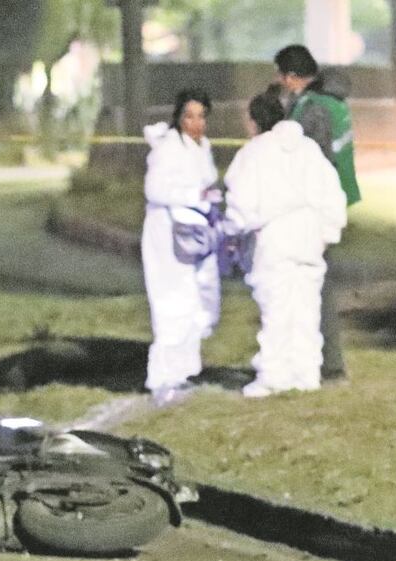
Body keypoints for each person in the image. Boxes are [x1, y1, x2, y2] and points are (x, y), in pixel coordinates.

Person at [223, 93, 347, 398]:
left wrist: (233, 230)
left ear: (253, 121)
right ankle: (306, 373)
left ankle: (273, 375)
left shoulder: (254, 153)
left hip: (274, 239)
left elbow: (241, 202)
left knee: (276, 310)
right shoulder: (309, 150)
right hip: (309, 238)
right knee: (306, 308)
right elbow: (332, 193)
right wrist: (327, 232)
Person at [274, 44, 360, 383]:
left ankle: (329, 364)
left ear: (292, 76)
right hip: (330, 204)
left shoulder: (313, 109)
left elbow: (313, 163)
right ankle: (320, 361)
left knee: (316, 286)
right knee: (317, 282)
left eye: (282, 77)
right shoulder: (332, 101)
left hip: (315, 210)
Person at [141, 88, 222, 406]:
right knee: (172, 303)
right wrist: (194, 196)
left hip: (194, 234)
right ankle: (163, 378)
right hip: (167, 235)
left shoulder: (202, 147)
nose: (196, 123)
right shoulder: (168, 148)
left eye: (201, 116)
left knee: (197, 302)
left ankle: (184, 371)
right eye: (189, 116)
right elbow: (155, 189)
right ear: (178, 117)